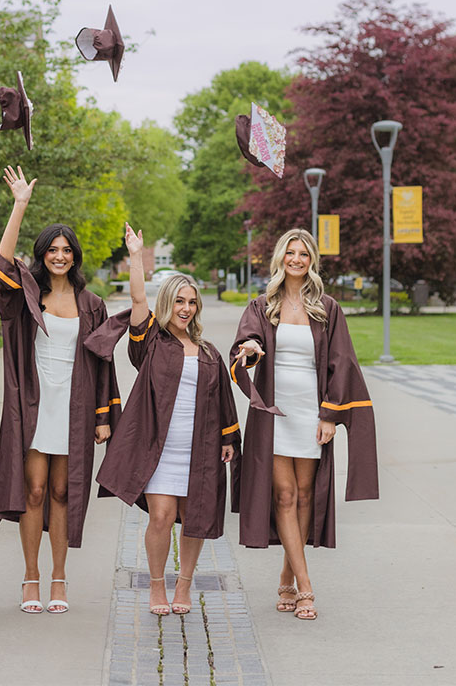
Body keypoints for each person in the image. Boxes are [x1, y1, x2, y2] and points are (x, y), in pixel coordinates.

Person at [87, 224, 240, 616]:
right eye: (179, 301)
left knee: (194, 519)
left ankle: (184, 585)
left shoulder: (208, 352)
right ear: (167, 304)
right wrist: (136, 255)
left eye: (192, 302)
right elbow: (138, 300)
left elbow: (223, 398)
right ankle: (157, 586)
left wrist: (227, 439)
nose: (186, 308)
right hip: (159, 446)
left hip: (199, 448)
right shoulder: (152, 344)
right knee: (161, 515)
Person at [0, 166, 122, 615]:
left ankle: (59, 579)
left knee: (64, 492)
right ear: (42, 254)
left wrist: (104, 416)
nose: (59, 256)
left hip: (76, 405)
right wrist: (19, 204)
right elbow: (2, 265)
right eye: (52, 250)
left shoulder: (92, 304)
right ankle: (31, 579)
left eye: (66, 250)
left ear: (74, 256)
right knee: (34, 490)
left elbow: (104, 361)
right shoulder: (25, 296)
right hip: (35, 403)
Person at [229, 228, 379, 621]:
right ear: (280, 258)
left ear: (311, 261)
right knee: (284, 496)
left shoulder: (326, 307)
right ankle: (306, 587)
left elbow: (341, 361)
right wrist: (250, 350)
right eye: (290, 253)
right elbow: (244, 344)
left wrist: (330, 414)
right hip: (274, 414)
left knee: (305, 495)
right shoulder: (262, 306)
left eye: (303, 254)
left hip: (311, 412)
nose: (296, 260)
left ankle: (286, 577)